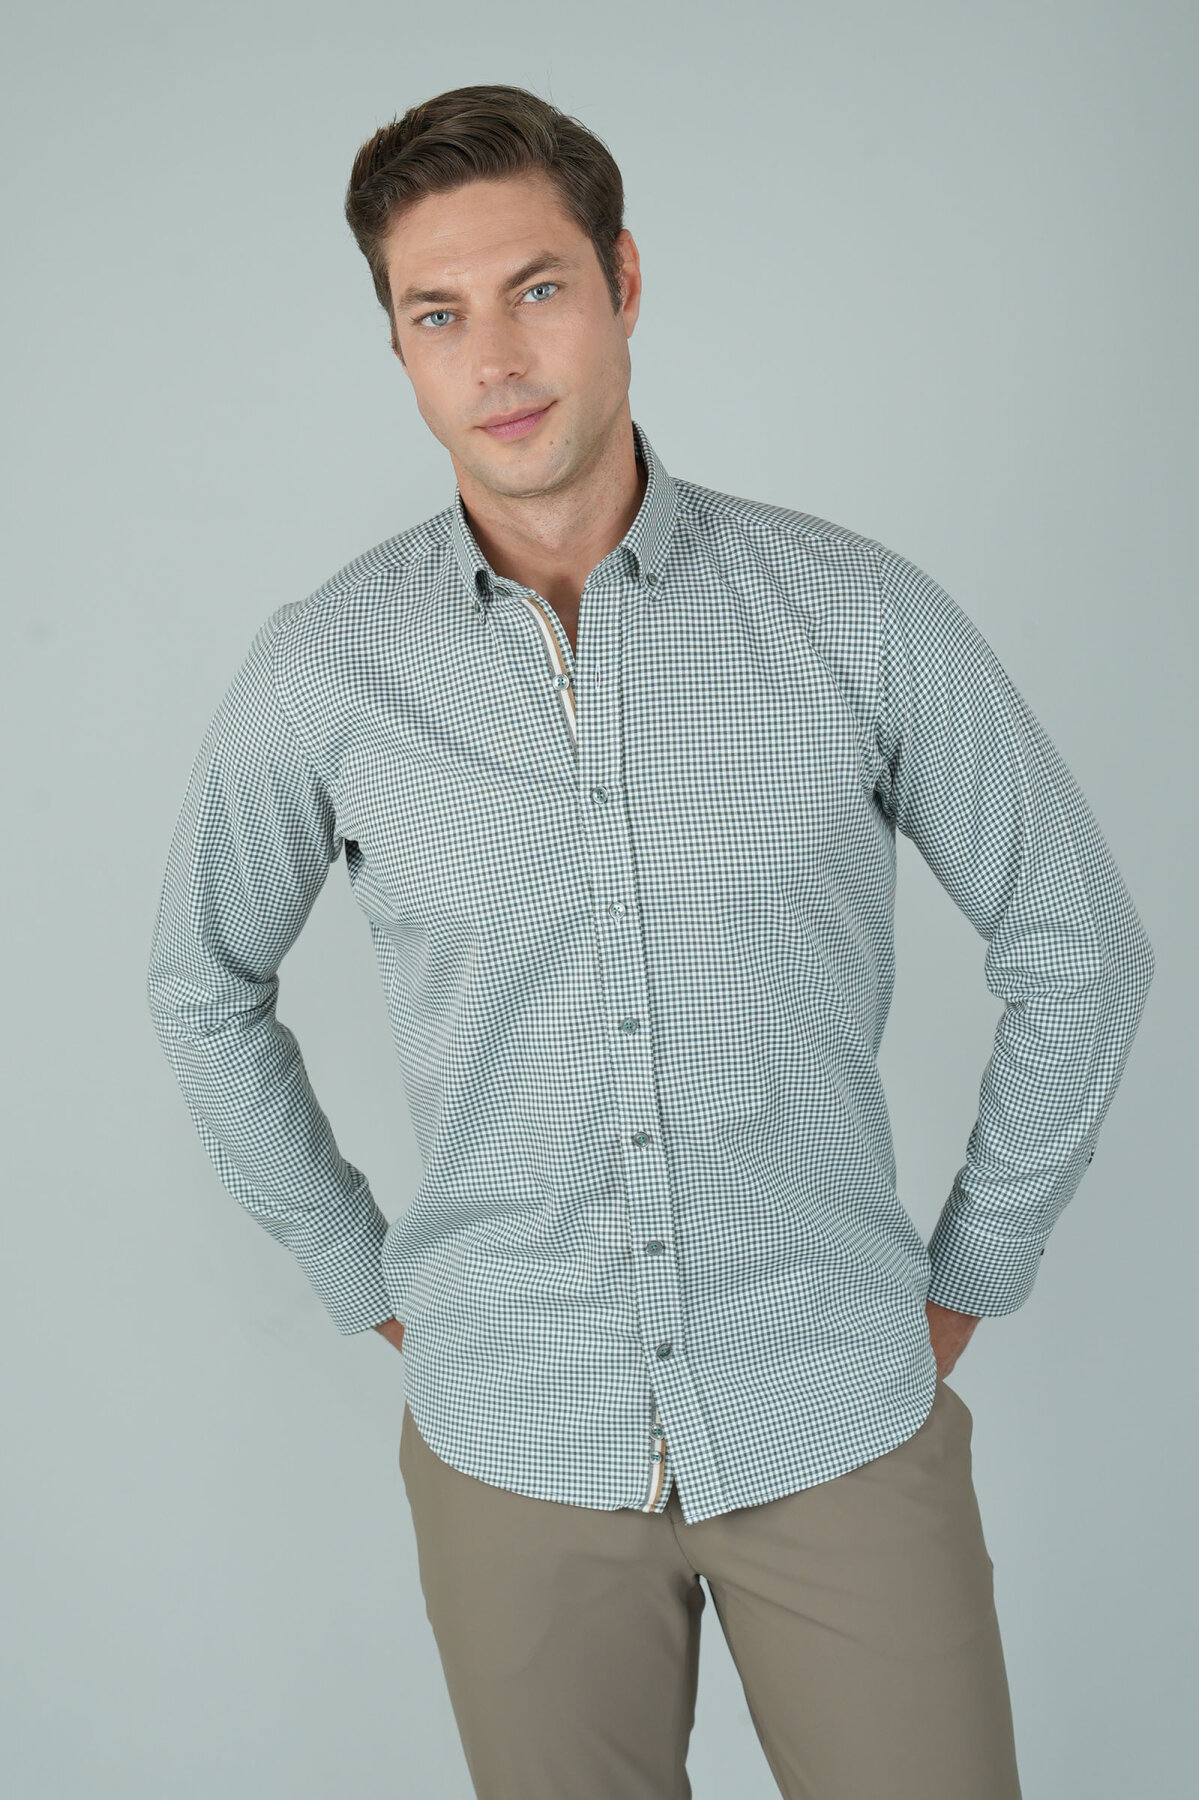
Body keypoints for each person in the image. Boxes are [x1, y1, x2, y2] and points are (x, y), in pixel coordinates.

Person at [146, 82, 1155, 1800]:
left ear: (621, 279)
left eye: (536, 287)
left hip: (838, 1413)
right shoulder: (325, 670)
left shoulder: (854, 614)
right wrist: (363, 1275)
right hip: (512, 1439)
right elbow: (200, 988)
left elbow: (1079, 942)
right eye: (436, 314)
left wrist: (971, 1271)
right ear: (397, 348)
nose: (496, 357)